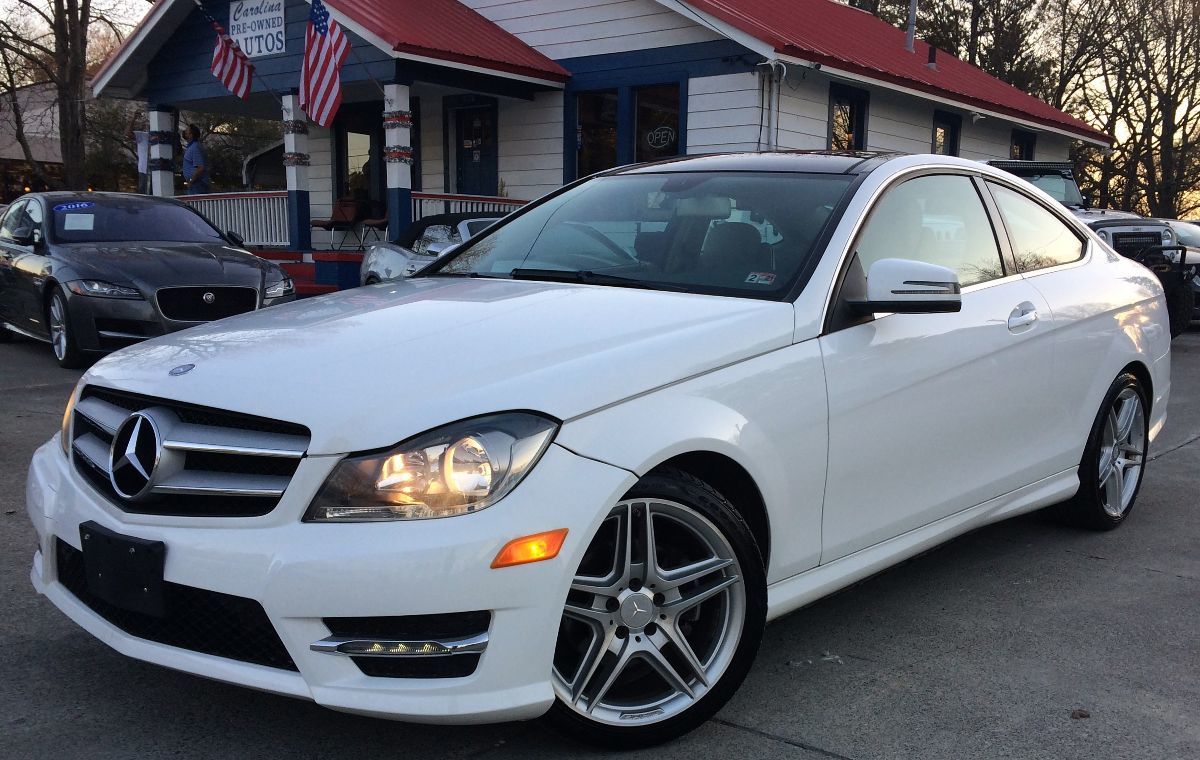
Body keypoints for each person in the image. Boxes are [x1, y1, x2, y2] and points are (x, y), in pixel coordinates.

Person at [181, 124, 210, 194]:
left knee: (197, 204)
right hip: (194, 184)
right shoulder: (191, 147)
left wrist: (191, 180)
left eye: (187, 131)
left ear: (191, 135)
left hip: (197, 185)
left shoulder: (195, 148)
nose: (184, 132)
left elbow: (200, 168)